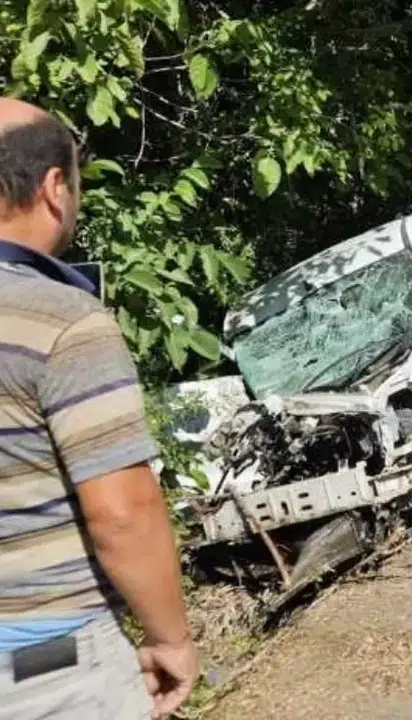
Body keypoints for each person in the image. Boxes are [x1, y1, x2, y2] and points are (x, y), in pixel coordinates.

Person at [0, 99, 197, 718]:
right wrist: (170, 638)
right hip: (45, 671)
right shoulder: (62, 321)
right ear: (54, 187)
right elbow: (121, 512)